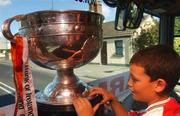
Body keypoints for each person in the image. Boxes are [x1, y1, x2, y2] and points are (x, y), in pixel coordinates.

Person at [73, 45, 180, 116]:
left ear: (159, 85)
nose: (129, 83)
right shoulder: (169, 104)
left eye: (135, 80)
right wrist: (113, 100)